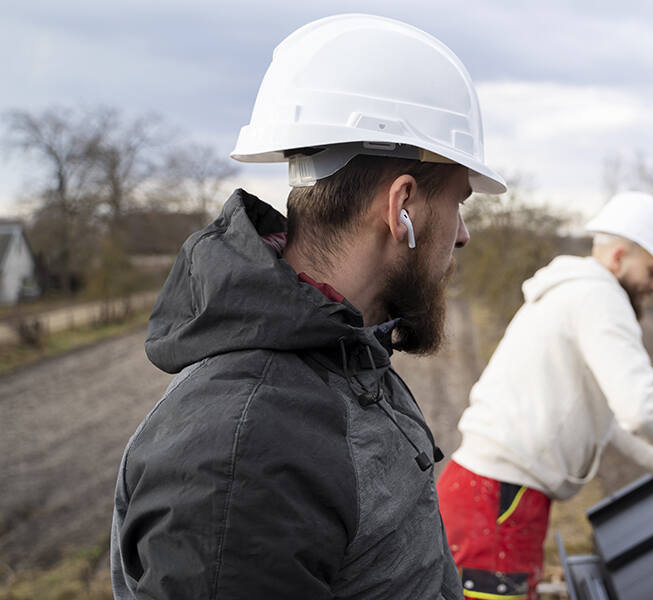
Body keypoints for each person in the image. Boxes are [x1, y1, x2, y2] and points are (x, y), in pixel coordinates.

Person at [110, 14, 506, 599]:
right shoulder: (244, 451)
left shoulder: (345, 359)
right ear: (402, 207)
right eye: (460, 203)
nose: (464, 234)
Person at [437, 191, 653, 600]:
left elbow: (612, 422)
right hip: (497, 502)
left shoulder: (575, 294)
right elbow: (642, 409)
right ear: (618, 256)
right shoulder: (600, 298)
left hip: (492, 495)